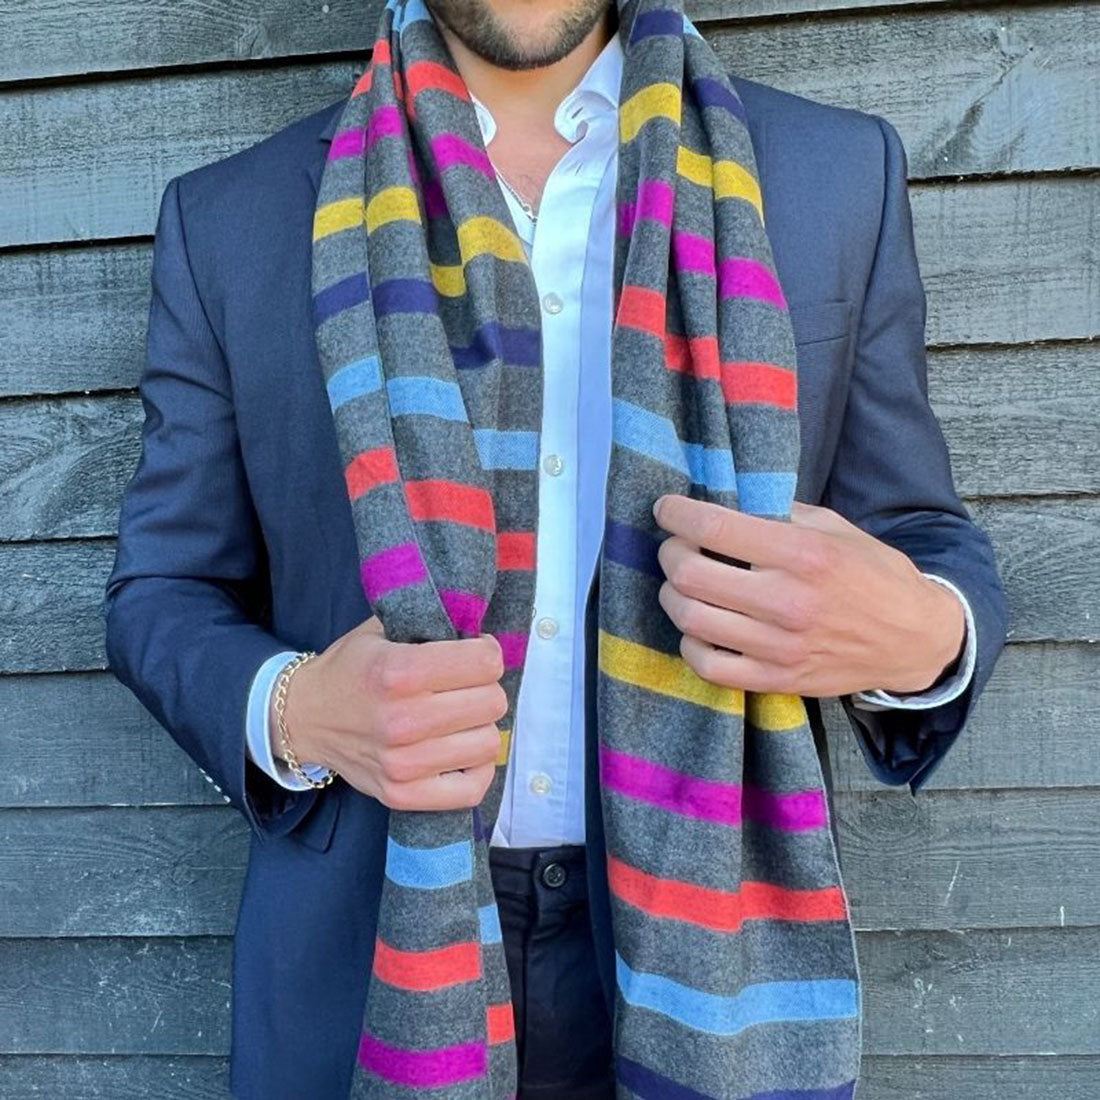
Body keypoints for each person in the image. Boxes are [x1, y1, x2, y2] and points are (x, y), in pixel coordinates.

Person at [101, 1, 1008, 1097]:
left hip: (704, 941)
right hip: (368, 947)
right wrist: (295, 708)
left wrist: (915, 633)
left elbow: (920, 532)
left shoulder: (827, 175)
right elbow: (161, 587)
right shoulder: (230, 219)